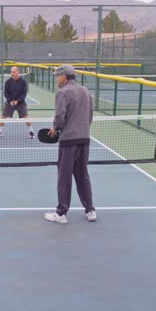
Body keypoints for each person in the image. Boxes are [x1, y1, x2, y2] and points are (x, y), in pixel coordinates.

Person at [44, 65, 97, 224]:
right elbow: (90, 115)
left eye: (57, 76)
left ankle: (61, 213)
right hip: (84, 139)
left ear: (64, 77)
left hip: (68, 142)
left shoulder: (62, 92)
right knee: (83, 176)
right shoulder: (85, 91)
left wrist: (55, 128)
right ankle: (90, 210)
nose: (56, 79)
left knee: (64, 177)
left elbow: (60, 116)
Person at [0, 66, 33, 139]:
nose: (12, 73)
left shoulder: (23, 82)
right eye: (11, 72)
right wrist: (10, 100)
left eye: (14, 72)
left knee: (26, 117)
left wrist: (18, 101)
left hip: (20, 103)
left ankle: (31, 132)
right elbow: (6, 93)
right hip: (10, 102)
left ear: (18, 72)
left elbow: (24, 93)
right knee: (3, 117)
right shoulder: (8, 82)